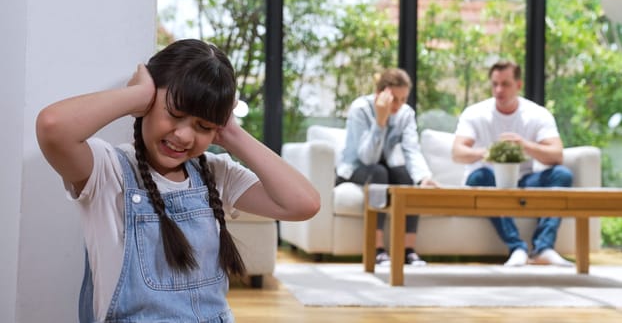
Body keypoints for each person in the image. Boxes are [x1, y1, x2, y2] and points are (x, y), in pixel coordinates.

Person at [36, 39, 320, 322]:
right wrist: (137, 96)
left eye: (204, 126)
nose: (184, 136)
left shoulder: (216, 174)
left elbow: (303, 203)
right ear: (148, 104)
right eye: (174, 113)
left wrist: (231, 133)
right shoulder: (107, 171)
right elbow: (53, 127)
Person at [451, 60, 574, 267]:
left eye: (505, 84)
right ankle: (517, 247)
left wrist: (524, 145)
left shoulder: (536, 114)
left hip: (523, 182)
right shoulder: (475, 113)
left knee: (562, 174)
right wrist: (489, 152)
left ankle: (543, 248)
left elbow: (557, 154)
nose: (499, 90)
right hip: (487, 182)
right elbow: (457, 152)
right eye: (495, 84)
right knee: (480, 176)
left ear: (518, 85)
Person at [336, 68, 438, 266]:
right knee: (379, 174)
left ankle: (408, 250)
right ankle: (377, 249)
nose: (399, 106)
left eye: (403, 99)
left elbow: (411, 150)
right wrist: (380, 121)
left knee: (405, 177)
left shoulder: (406, 114)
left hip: (385, 165)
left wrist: (423, 177)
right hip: (355, 167)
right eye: (394, 99)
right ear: (380, 94)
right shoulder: (360, 109)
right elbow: (367, 158)